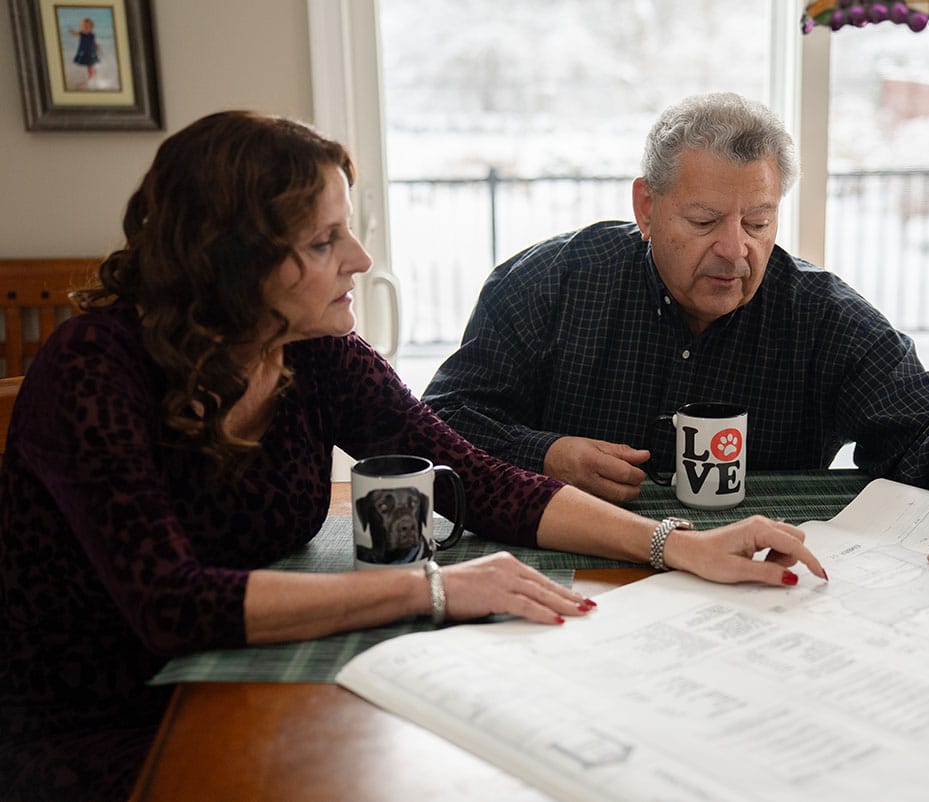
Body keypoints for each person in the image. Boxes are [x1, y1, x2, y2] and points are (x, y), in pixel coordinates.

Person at [0, 111, 825, 802]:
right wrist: (437, 588)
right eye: (325, 242)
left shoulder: (314, 350)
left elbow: (483, 480)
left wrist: (674, 544)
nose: (358, 261)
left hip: (237, 672)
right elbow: (168, 604)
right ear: (233, 260)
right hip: (96, 719)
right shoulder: (91, 369)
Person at [423, 92, 929, 597]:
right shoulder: (551, 283)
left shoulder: (818, 314)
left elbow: (927, 423)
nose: (736, 250)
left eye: (758, 221)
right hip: (571, 579)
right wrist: (546, 452)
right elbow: (438, 423)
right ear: (646, 206)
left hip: (758, 589)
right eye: (703, 222)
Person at [68, 17, 99, 83]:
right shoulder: (81, 33)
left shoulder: (92, 34)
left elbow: (94, 42)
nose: (85, 28)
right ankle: (92, 75)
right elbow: (75, 34)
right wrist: (72, 32)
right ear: (81, 27)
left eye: (87, 27)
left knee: (90, 65)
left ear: (91, 27)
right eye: (84, 26)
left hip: (91, 52)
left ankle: (91, 77)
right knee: (89, 65)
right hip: (84, 52)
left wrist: (97, 45)